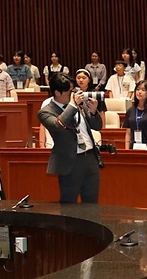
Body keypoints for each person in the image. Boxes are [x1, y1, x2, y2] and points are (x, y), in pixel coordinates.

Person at [37, 73, 102, 203]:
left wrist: (94, 112)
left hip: (90, 158)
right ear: (57, 92)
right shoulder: (46, 111)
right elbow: (59, 125)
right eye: (69, 91)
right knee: (69, 205)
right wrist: (72, 106)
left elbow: (97, 126)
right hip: (71, 162)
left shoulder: (79, 105)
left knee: (92, 204)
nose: (73, 94)